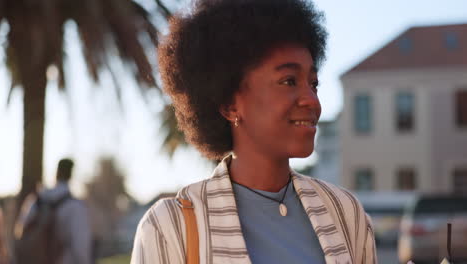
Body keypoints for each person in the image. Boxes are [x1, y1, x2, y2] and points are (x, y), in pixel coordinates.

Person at [131, 0, 377, 263]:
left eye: (313, 84)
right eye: (288, 81)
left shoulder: (345, 213)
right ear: (229, 104)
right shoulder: (170, 227)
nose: (312, 101)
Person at [19, 159, 92, 264]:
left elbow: (21, 231)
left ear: (56, 173)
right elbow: (81, 247)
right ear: (71, 175)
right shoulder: (76, 207)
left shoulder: (37, 200)